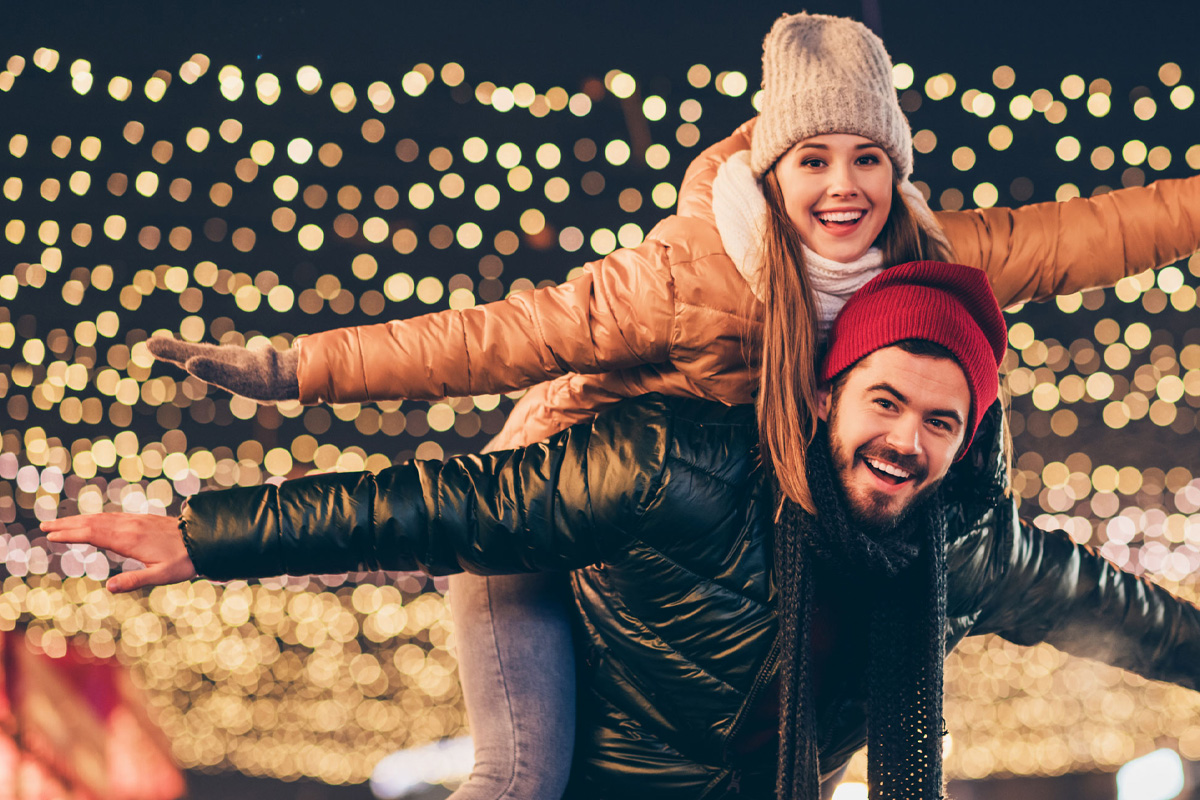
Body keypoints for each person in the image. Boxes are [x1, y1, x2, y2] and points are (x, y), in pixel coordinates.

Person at [141, 13, 1200, 799]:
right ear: (771, 169)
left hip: (739, 532)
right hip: (546, 511)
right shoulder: (684, 277)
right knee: (516, 774)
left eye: (868, 158)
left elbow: (1102, 234)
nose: (843, 187)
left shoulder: (928, 270)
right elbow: (483, 343)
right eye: (814, 159)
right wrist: (286, 374)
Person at [44, 262, 1200, 800]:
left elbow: (1141, 621)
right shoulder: (680, 466)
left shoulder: (970, 552)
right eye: (884, 403)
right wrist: (206, 535)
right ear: (821, 399)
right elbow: (454, 505)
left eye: (940, 421)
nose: (906, 439)